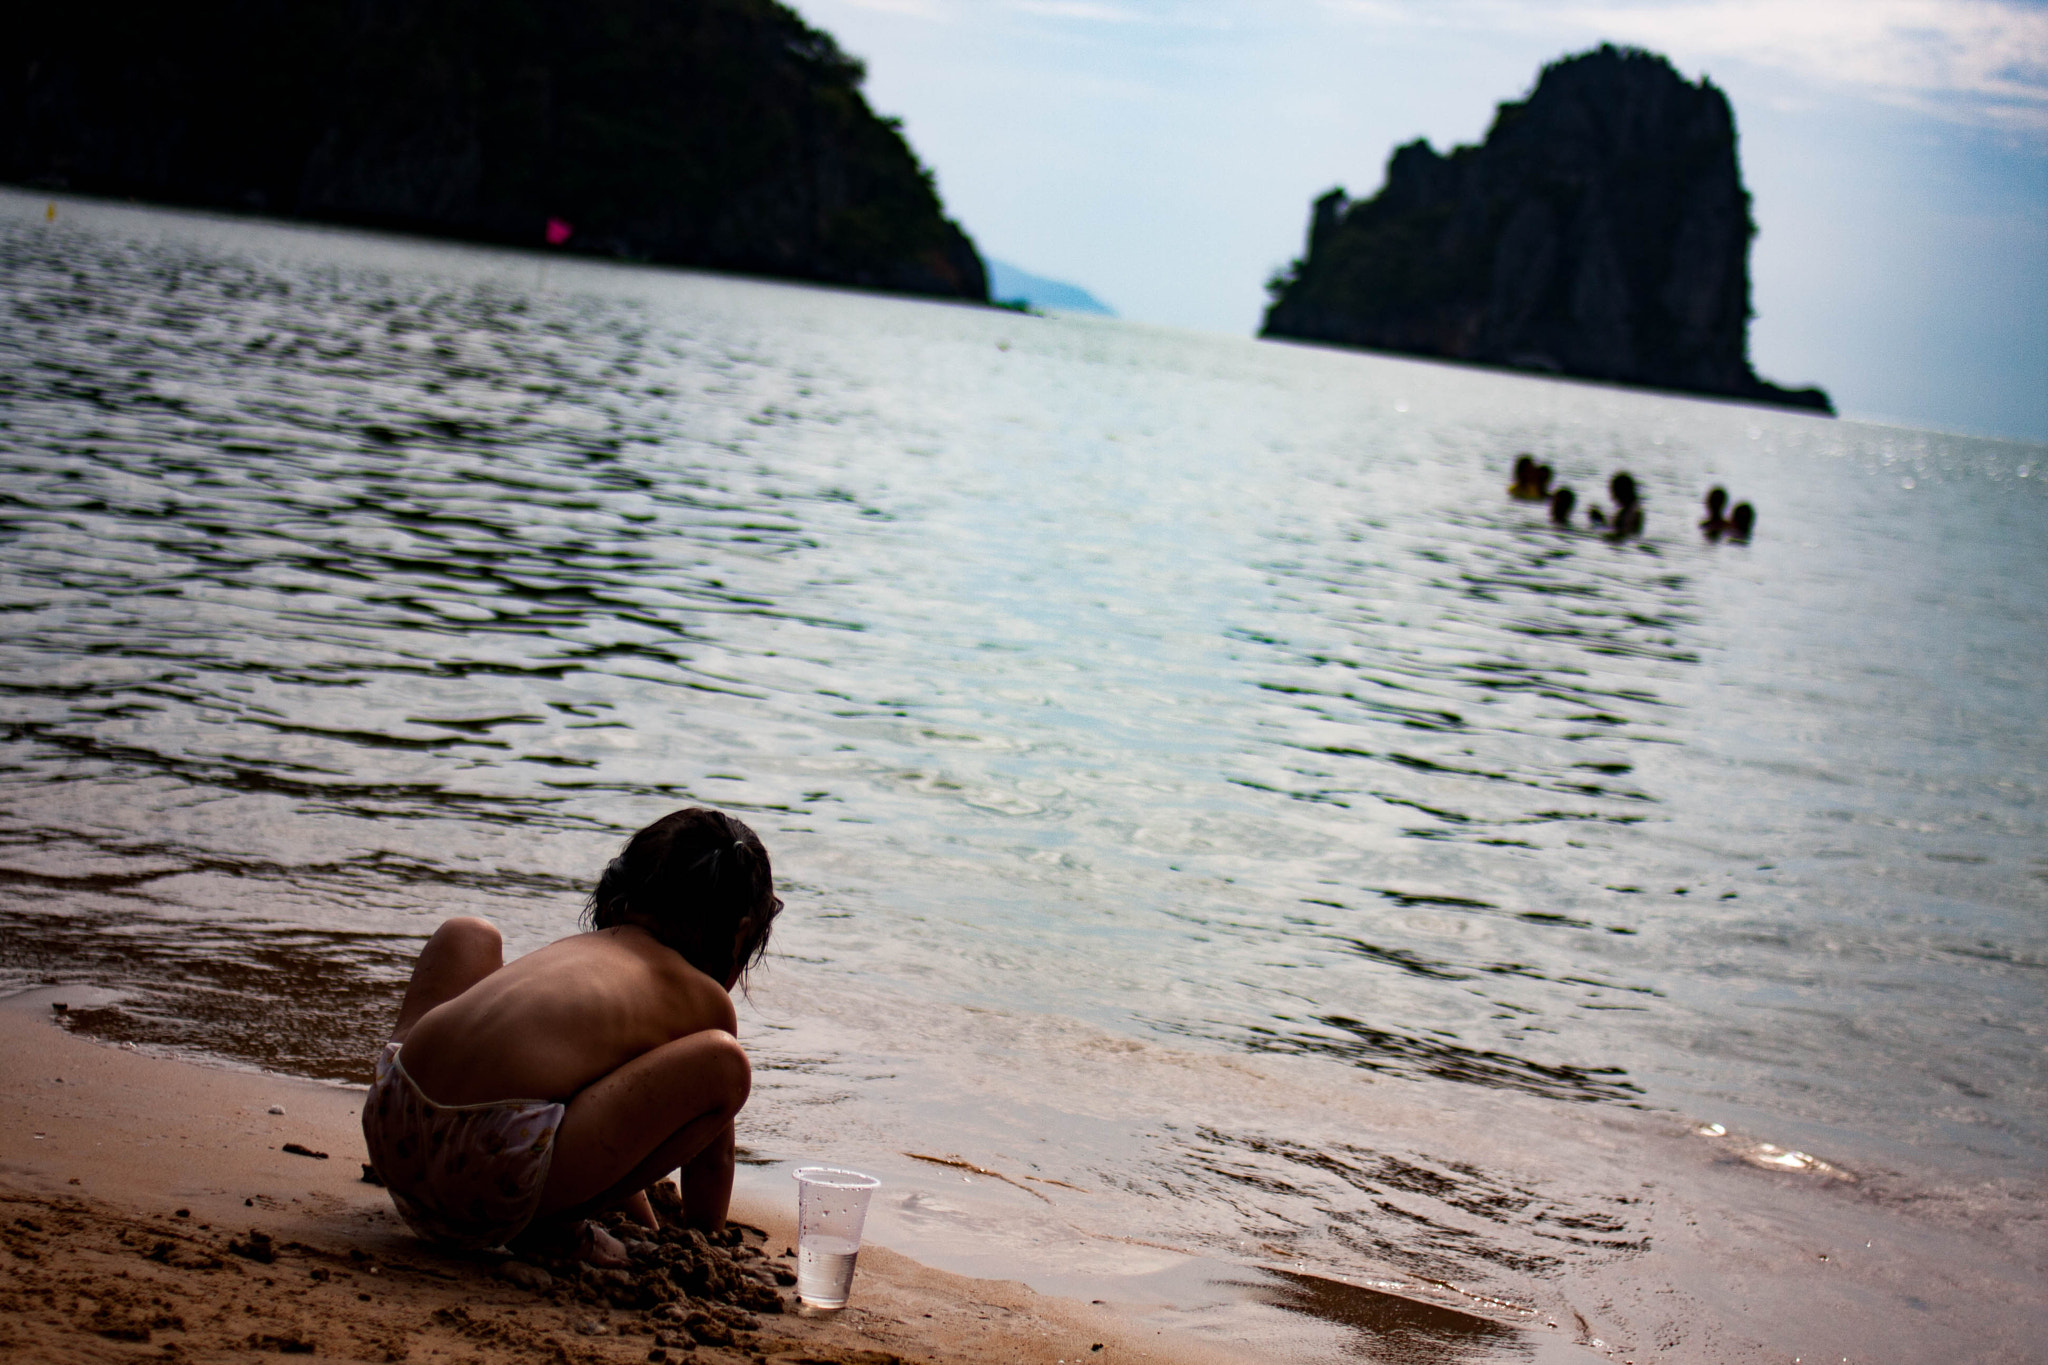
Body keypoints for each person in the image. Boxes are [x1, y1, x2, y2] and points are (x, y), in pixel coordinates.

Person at [361, 808, 781, 1261]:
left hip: (394, 1131)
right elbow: (709, 1162)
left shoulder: (585, 961)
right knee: (725, 1063)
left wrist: (643, 1220)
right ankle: (551, 1227)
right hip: (491, 1179)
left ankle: (543, 1210)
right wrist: (695, 1243)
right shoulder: (703, 1002)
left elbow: (595, 1123)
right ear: (740, 934)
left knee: (467, 934)